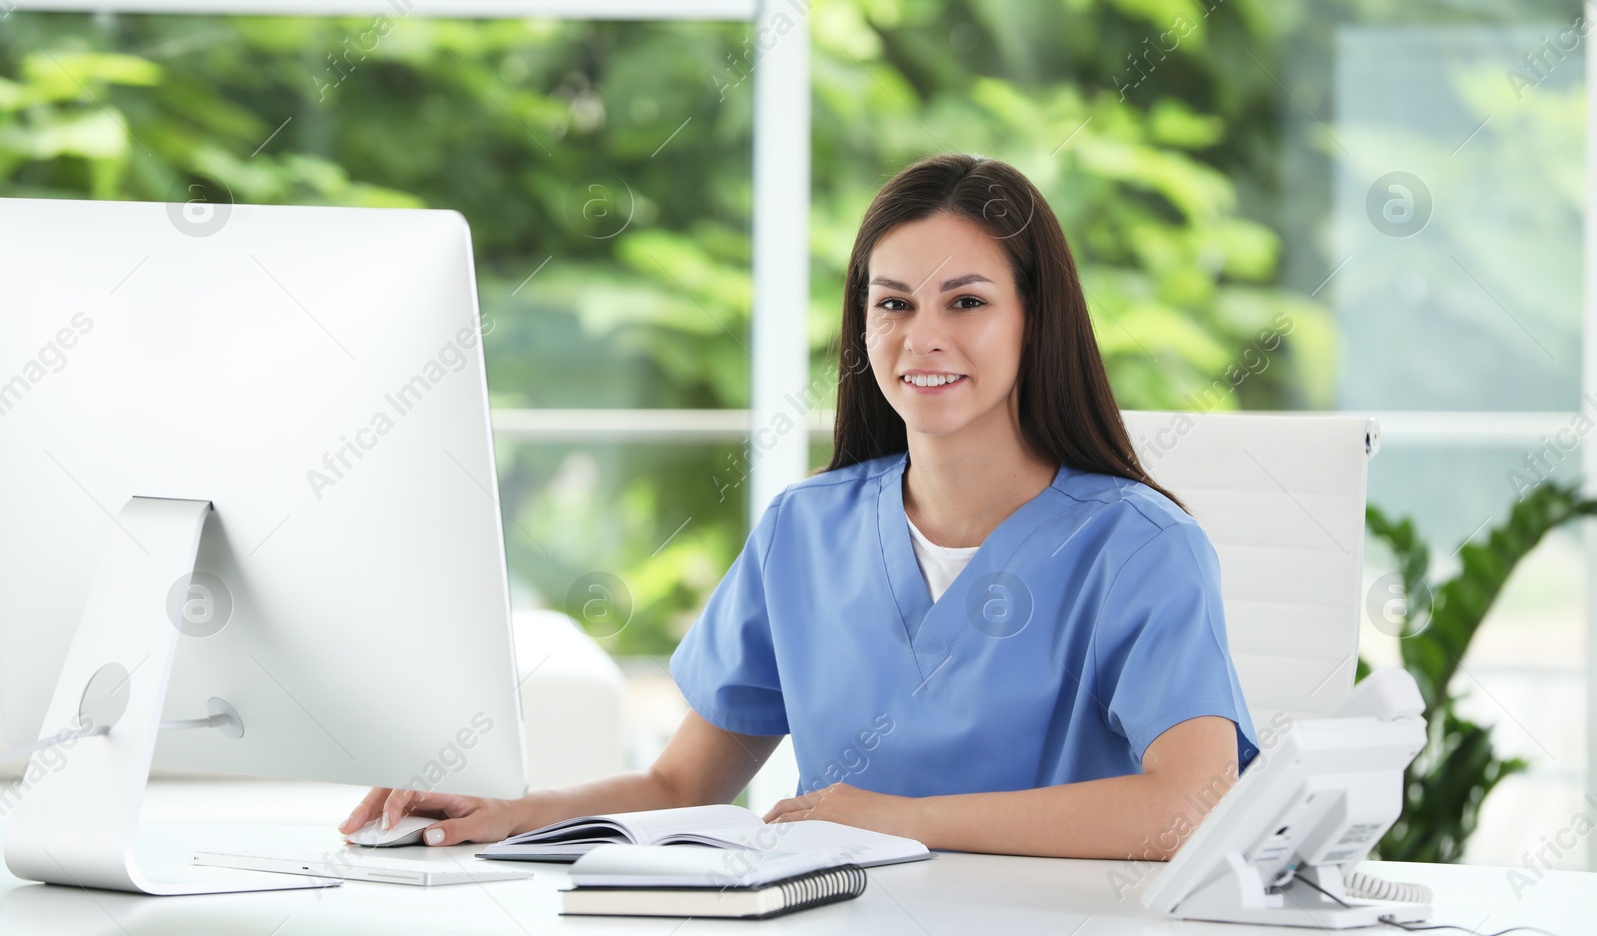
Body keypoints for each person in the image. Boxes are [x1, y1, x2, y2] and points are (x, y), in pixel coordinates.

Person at [340, 153, 1257, 858]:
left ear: (1035, 319)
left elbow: (1187, 804)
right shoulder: (804, 532)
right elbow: (682, 782)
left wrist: (897, 823)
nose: (921, 336)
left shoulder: (1139, 548)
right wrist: (511, 813)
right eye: (892, 303)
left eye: (966, 301)